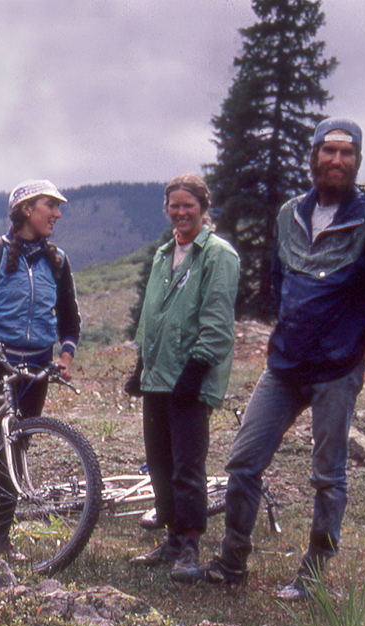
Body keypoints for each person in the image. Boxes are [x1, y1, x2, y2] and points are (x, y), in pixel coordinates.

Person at [175, 118, 365, 601]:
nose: (336, 161)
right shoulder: (289, 214)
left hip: (337, 369)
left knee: (328, 475)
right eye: (328, 151)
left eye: (347, 153)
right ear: (313, 156)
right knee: (243, 462)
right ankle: (232, 562)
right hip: (284, 365)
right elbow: (280, 277)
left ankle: (313, 570)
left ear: (357, 161)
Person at [125, 174, 239, 576]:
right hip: (158, 376)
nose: (181, 212)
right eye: (174, 205)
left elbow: (218, 321)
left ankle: (189, 544)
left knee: (187, 464)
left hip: (190, 377)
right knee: (158, 462)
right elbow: (150, 316)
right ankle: (172, 541)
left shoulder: (217, 255)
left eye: (188, 204)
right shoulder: (163, 255)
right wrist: (141, 366)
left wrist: (195, 371)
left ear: (203, 208)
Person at [0, 179, 80, 555]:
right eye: (51, 206)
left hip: (35, 370)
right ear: (26, 209)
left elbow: (69, 318)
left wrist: (66, 356)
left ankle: (2, 540)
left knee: (17, 449)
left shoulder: (58, 262)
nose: (58, 214)